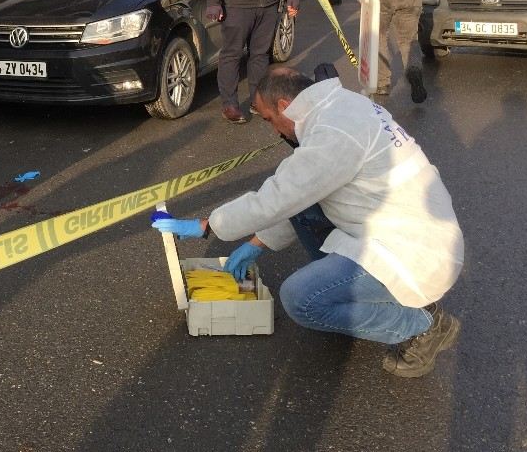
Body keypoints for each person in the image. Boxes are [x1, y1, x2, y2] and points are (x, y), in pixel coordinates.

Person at [152, 66, 464, 378]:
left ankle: (421, 326)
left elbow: (278, 197)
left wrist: (208, 225)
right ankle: (350, 296)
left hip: (414, 253)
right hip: (397, 228)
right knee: (303, 210)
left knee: (301, 299)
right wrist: (255, 244)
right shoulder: (340, 107)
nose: (275, 131)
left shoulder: (333, 132)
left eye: (269, 119)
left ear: (284, 106)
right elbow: (301, 197)